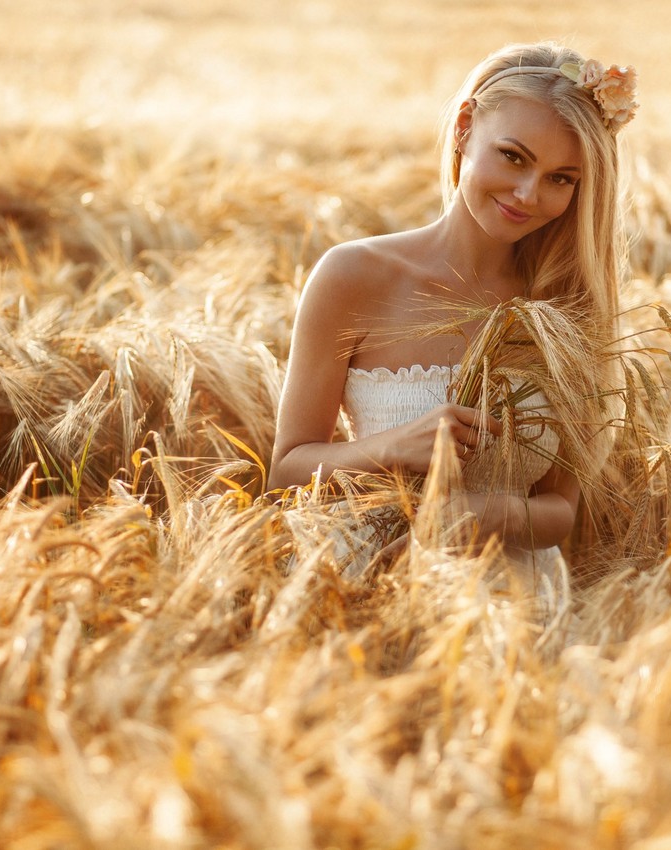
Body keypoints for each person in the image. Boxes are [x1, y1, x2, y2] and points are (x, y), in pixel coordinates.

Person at [269, 41, 635, 598]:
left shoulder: (568, 307)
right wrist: (393, 447)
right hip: (367, 587)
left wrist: (491, 516)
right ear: (465, 129)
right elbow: (287, 471)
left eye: (561, 178)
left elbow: (562, 506)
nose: (528, 194)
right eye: (513, 156)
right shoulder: (353, 276)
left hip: (517, 605)